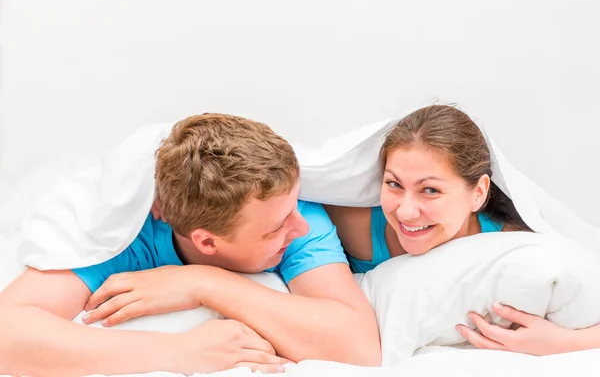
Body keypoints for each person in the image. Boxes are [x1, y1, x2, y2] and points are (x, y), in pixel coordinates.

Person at [0, 114, 380, 377]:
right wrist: (177, 351)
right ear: (206, 241)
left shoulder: (291, 213)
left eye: (295, 208)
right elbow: (8, 333)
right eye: (275, 229)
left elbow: (359, 349)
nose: (299, 227)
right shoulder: (127, 239)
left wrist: (205, 283)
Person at [323, 104, 600, 356]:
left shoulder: (512, 247)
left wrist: (566, 343)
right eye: (394, 184)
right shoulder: (354, 225)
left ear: (478, 193)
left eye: (430, 190)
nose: (405, 211)